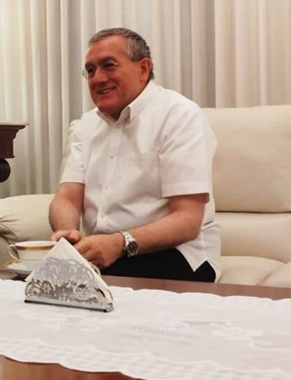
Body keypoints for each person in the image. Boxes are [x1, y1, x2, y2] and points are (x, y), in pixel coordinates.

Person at [49, 28, 220, 282]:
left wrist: (118, 243)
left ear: (143, 68)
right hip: (105, 254)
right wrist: (68, 232)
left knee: (81, 287)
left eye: (108, 66)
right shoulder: (86, 124)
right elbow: (67, 198)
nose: (98, 78)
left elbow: (187, 220)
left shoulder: (180, 116)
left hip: (178, 253)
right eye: (91, 70)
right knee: (28, 282)